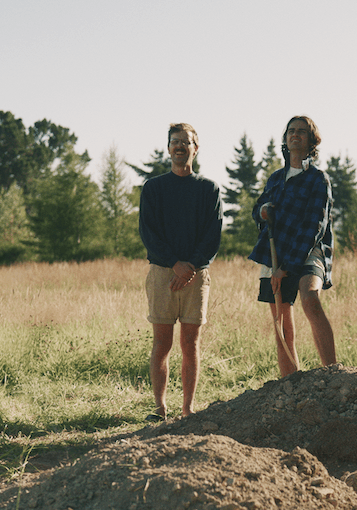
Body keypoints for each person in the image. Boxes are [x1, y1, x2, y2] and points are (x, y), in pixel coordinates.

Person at [139, 123, 223, 420]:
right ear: (168, 148)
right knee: (162, 342)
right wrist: (174, 263)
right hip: (163, 272)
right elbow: (148, 233)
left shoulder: (208, 189)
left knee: (190, 343)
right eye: (174, 142)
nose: (179, 146)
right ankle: (160, 408)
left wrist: (190, 267)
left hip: (197, 275)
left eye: (185, 142)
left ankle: (187, 409)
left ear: (195, 148)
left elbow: (213, 235)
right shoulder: (154, 188)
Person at [248, 115, 336, 377]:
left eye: (302, 132)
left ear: (312, 141)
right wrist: (263, 211)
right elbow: (258, 209)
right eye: (291, 131)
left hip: (309, 252)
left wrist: (287, 267)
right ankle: (291, 383)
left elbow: (314, 227)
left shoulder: (318, 179)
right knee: (280, 319)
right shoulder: (276, 178)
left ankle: (332, 373)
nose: (295, 135)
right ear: (286, 139)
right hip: (276, 251)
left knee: (310, 297)